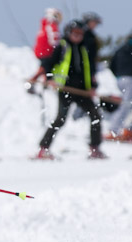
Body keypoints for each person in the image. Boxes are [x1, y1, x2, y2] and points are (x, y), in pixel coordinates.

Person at [34, 20, 106, 160]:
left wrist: (92, 87)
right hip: (65, 89)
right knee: (60, 119)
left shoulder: (85, 49)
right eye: (75, 33)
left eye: (80, 34)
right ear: (69, 33)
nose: (78, 36)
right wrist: (49, 78)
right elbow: (48, 63)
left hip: (82, 91)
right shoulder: (62, 46)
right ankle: (44, 149)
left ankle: (94, 148)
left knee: (95, 116)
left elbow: (89, 70)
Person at [26, 8, 63, 93]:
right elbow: (54, 39)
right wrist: (58, 47)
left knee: (43, 67)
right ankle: (41, 81)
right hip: (46, 51)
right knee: (46, 67)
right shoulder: (51, 25)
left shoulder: (44, 24)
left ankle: (38, 81)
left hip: (40, 51)